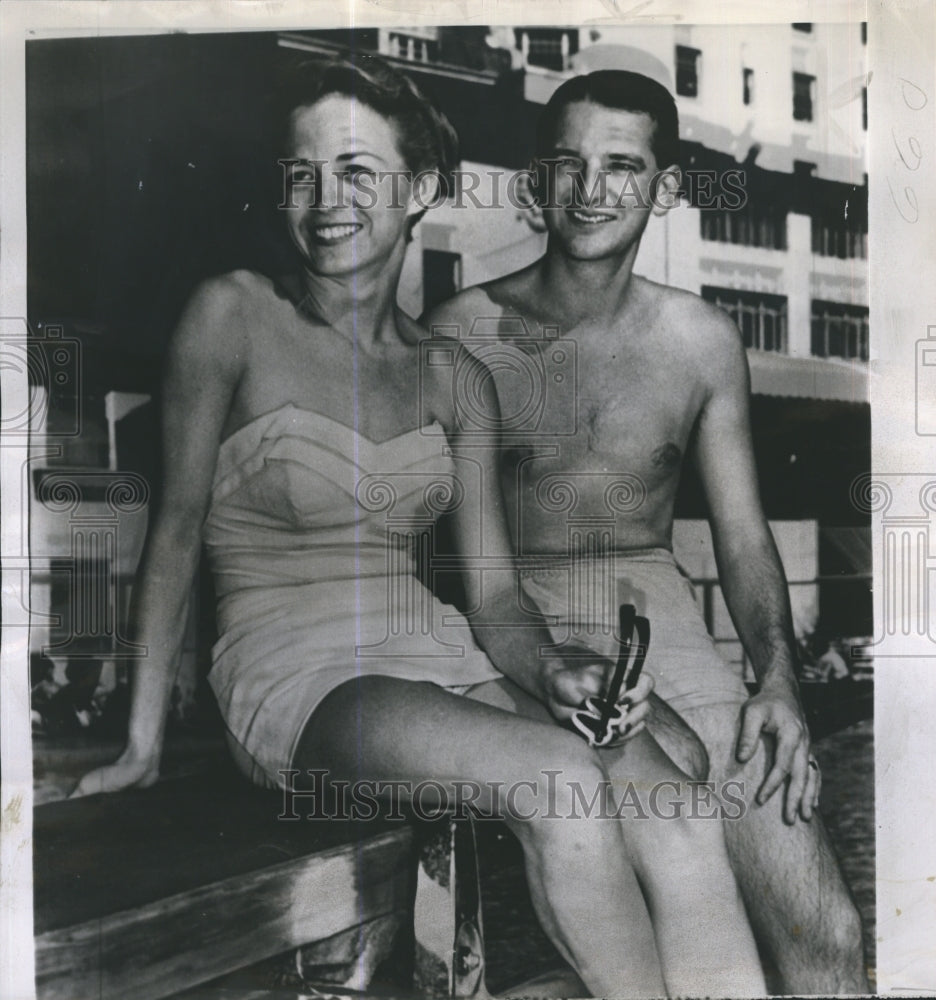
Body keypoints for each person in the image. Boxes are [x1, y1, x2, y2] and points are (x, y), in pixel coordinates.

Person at [73, 56, 765, 998]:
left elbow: (490, 594)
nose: (324, 199)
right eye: (301, 173)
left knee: (676, 801)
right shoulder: (232, 313)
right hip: (302, 671)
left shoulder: (453, 372)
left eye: (356, 171)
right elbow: (177, 532)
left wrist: (556, 665)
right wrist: (140, 742)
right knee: (563, 781)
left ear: (421, 189)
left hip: (437, 650)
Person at [425, 69, 868, 993]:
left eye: (622, 167)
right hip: (526, 630)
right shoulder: (462, 330)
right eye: (569, 165)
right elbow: (450, 563)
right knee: (677, 926)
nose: (591, 190)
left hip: (671, 630)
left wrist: (780, 685)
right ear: (541, 181)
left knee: (825, 934)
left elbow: (744, 541)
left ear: (664, 189)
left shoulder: (701, 339)